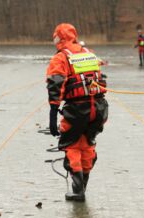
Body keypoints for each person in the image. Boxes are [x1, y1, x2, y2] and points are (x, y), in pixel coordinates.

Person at [46, 23, 109, 202]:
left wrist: (52, 112)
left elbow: (55, 83)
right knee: (87, 144)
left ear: (58, 38)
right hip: (98, 109)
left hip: (76, 110)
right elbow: (98, 77)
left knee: (72, 145)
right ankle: (83, 183)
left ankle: (77, 188)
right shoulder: (89, 53)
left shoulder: (61, 57)